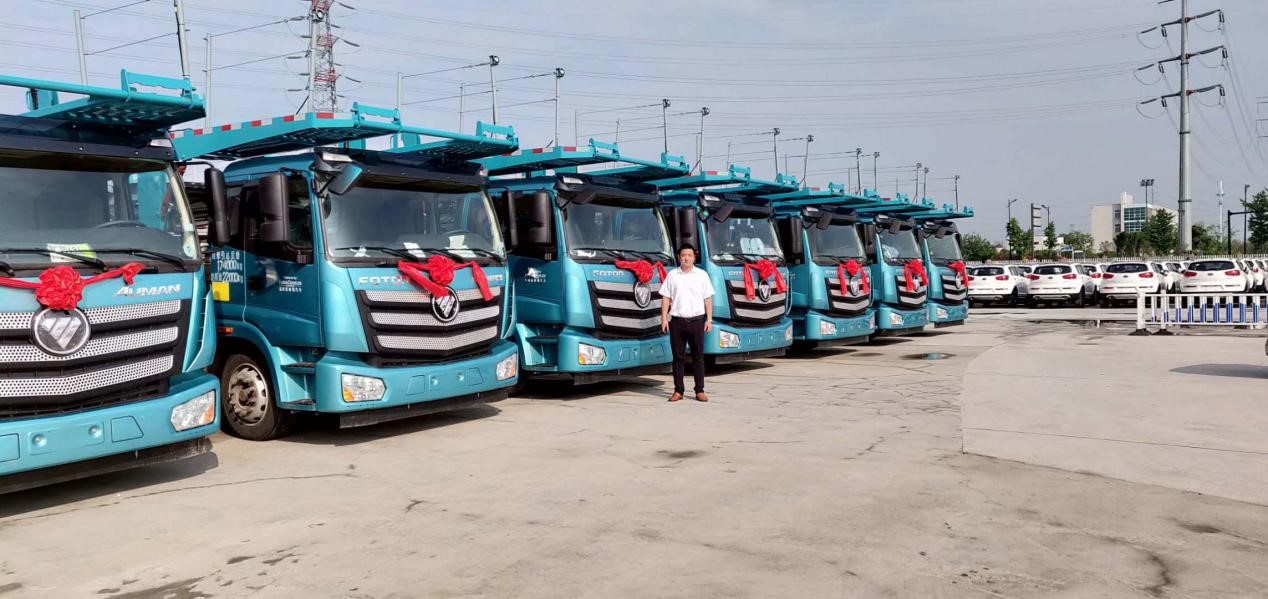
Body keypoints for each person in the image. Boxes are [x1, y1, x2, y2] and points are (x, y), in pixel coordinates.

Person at [660, 243, 715, 402]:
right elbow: (666, 298)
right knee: (678, 357)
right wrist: (664, 319)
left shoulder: (702, 275)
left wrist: (709, 319)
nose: (686, 258)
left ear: (694, 258)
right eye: (683, 255)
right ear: (679, 257)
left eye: (689, 255)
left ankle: (700, 390)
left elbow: (708, 298)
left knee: (698, 357)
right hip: (677, 322)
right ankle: (678, 390)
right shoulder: (672, 275)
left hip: (697, 321)